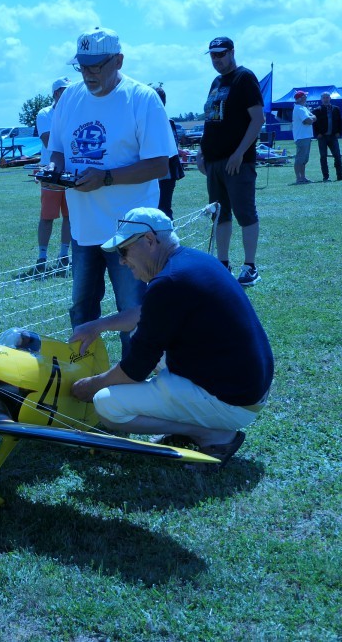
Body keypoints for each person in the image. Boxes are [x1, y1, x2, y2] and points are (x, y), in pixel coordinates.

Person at [69, 206, 273, 466]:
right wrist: (98, 325)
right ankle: (200, 421)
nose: (121, 260)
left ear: (150, 241)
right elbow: (147, 313)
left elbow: (134, 371)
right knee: (149, 347)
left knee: (107, 405)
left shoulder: (168, 283)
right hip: (249, 388)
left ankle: (211, 433)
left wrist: (92, 385)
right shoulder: (194, 262)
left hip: (234, 400)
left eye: (124, 251)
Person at [44, 27, 177, 353]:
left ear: (118, 60)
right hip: (83, 228)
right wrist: (54, 171)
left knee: (134, 311)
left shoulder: (142, 99)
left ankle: (138, 382)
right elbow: (58, 149)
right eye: (83, 66)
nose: (89, 74)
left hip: (130, 233)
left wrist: (106, 177)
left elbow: (160, 165)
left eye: (97, 65)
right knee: (82, 309)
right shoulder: (70, 97)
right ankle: (82, 376)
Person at [196, 36, 265, 287]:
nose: (217, 59)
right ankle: (223, 263)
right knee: (219, 215)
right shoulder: (215, 82)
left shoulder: (244, 78)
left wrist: (239, 153)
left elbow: (258, 119)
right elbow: (211, 120)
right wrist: (202, 152)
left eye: (221, 54)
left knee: (244, 212)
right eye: (213, 55)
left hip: (237, 162)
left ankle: (250, 266)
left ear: (232, 52)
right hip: (214, 161)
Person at [22, 77, 73, 278]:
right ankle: (42, 256)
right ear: (55, 93)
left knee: (70, 215)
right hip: (51, 170)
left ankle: (63, 255)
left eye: (69, 90)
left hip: (70, 170)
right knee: (47, 216)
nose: (67, 94)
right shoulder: (45, 113)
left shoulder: (74, 112)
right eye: (63, 91)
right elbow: (48, 140)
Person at [155, 85, 185, 219]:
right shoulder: (168, 122)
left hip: (163, 172)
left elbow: (166, 147)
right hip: (164, 172)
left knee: (163, 209)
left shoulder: (161, 122)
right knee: (162, 208)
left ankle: (167, 238)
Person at [312, 93, 342, 182]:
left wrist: (339, 132)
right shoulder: (317, 110)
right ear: (321, 99)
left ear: (330, 98)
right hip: (322, 137)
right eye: (324, 98)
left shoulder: (336, 109)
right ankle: (326, 177)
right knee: (323, 157)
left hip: (333, 136)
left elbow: (340, 122)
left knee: (337, 156)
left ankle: (340, 175)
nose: (325, 99)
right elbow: (314, 124)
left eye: (327, 97)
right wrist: (317, 134)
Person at [291, 90, 315, 184]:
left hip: (306, 136)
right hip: (302, 136)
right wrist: (313, 118)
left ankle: (303, 177)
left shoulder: (303, 108)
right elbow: (308, 120)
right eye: (305, 96)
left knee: (304, 159)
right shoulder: (299, 109)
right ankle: (298, 178)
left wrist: (312, 118)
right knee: (300, 158)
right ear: (301, 98)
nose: (306, 97)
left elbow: (311, 117)